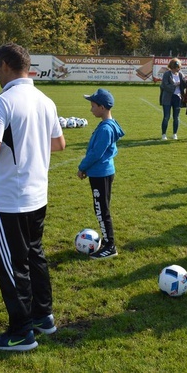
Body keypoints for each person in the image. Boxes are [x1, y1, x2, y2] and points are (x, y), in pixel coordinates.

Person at [0, 43, 65, 352]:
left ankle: (20, 332)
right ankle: (44, 317)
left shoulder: (2, 99)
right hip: (37, 193)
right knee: (34, 255)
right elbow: (59, 144)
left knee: (12, 265)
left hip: (9, 198)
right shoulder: (44, 99)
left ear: (4, 65)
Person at [77, 88, 125, 259]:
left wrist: (82, 167)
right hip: (101, 172)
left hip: (100, 174)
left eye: (93, 106)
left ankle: (110, 245)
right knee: (102, 209)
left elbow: (96, 153)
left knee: (101, 210)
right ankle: (107, 241)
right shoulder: (107, 125)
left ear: (102, 107)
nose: (91, 109)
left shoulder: (106, 129)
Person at [159, 58, 187, 140]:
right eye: (174, 67)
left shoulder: (181, 74)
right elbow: (164, 85)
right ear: (171, 67)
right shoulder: (167, 74)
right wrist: (175, 85)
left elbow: (184, 84)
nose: (176, 69)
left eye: (178, 67)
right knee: (166, 116)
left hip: (177, 97)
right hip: (167, 98)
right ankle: (164, 134)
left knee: (176, 117)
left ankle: (175, 133)